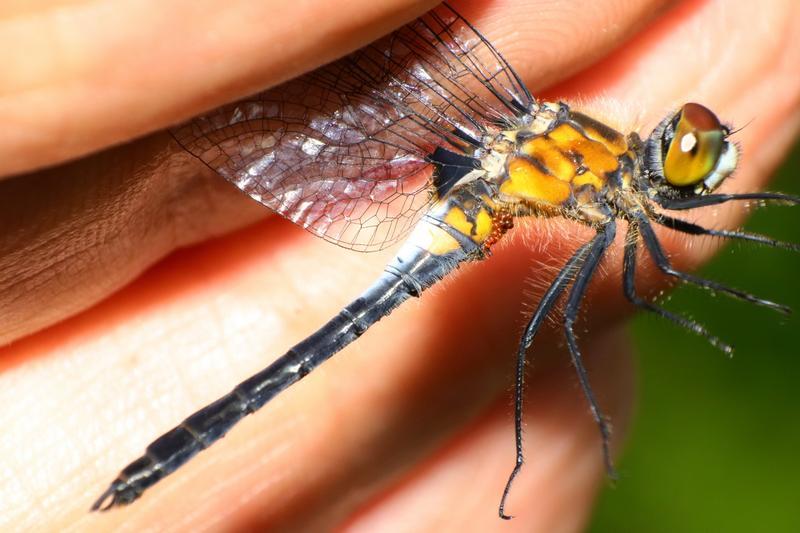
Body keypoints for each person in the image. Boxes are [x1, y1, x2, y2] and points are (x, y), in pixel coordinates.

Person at [1, 1, 798, 530]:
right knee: (536, 340)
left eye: (699, 152)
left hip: (488, 181)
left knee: (559, 327)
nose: (704, 159)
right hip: (478, 191)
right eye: (695, 147)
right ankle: (159, 461)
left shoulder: (618, 184)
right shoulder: (610, 179)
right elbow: (639, 277)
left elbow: (652, 270)